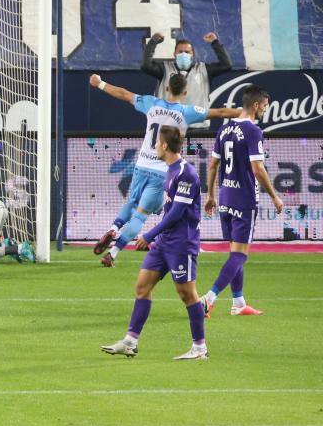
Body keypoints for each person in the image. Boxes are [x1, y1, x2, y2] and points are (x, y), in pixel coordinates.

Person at [88, 73, 240, 267]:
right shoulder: (187, 112)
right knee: (141, 214)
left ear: (167, 88)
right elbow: (219, 113)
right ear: (185, 92)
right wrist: (244, 114)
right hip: (161, 172)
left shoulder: (151, 103)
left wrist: (100, 83)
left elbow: (124, 94)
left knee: (132, 202)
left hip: (141, 165)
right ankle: (113, 253)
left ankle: (113, 227)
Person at [101, 126, 208, 360]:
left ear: (166, 146)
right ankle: (130, 341)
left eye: (158, 143)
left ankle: (199, 348)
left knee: (187, 294)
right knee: (142, 286)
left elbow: (176, 213)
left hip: (182, 242)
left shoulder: (186, 173)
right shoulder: (169, 170)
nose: (155, 146)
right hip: (164, 241)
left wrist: (148, 235)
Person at [201, 86, 283, 317]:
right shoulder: (253, 131)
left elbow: (212, 165)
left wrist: (210, 196)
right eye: (265, 105)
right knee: (240, 255)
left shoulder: (225, 128)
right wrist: (275, 196)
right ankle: (209, 298)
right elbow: (258, 170)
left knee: (234, 252)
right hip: (244, 200)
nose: (266, 109)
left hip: (225, 198)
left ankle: (238, 302)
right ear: (256, 105)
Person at [142, 32, 232, 129]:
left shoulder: (204, 69)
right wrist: (153, 42)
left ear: (192, 54)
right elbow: (146, 66)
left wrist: (215, 42)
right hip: (169, 128)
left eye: (187, 52)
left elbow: (226, 65)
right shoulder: (164, 69)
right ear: (174, 54)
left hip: (198, 129)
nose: (183, 54)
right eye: (180, 52)